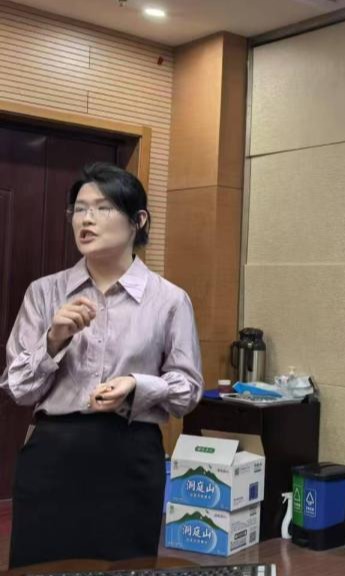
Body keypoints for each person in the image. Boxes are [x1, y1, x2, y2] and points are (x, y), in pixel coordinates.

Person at [1, 162, 203, 567]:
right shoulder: (44, 293)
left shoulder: (169, 300)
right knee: (41, 567)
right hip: (52, 454)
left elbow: (188, 391)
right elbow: (18, 389)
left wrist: (137, 385)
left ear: (138, 220)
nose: (86, 219)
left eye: (102, 207)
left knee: (124, 567)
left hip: (130, 457)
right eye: (79, 209)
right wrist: (53, 340)